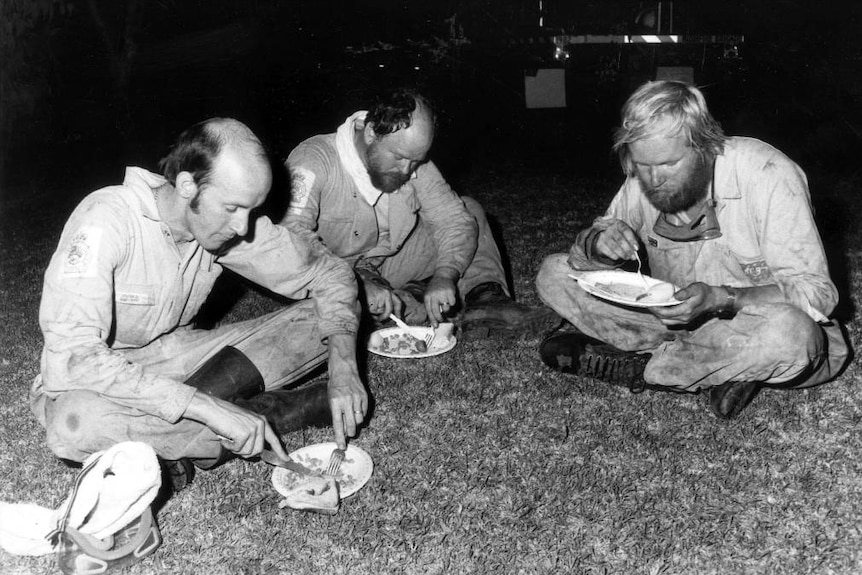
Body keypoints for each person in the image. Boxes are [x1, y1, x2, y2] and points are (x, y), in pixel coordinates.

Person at [30, 118, 368, 488]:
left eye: (250, 211)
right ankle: (264, 414)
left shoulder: (227, 225)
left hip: (182, 357)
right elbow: (75, 356)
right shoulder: (107, 219)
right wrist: (209, 407)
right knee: (72, 425)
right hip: (105, 375)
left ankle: (177, 442)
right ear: (188, 185)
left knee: (321, 320)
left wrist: (344, 366)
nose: (242, 227)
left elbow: (331, 275)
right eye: (232, 208)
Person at [536, 80, 850, 419]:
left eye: (669, 164)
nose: (654, 180)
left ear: (704, 147)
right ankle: (717, 370)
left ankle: (644, 369)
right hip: (670, 323)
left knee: (791, 335)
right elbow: (584, 259)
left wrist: (721, 298)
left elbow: (818, 295)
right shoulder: (644, 177)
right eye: (643, 165)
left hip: (748, 325)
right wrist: (598, 244)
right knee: (553, 274)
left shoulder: (768, 174)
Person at [280, 88, 560, 337]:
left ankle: (486, 302)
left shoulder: (412, 160)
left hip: (387, 265)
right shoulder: (314, 160)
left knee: (470, 211)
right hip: (332, 274)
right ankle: (403, 297)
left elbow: (453, 220)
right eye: (399, 157)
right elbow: (292, 239)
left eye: (416, 161)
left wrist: (446, 274)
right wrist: (356, 282)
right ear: (370, 133)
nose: (406, 171)